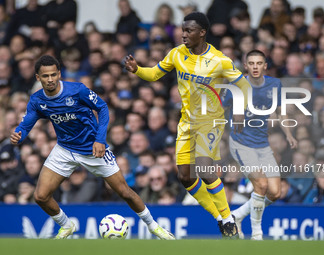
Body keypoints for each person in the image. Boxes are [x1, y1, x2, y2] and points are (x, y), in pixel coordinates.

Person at [10, 55, 175, 240]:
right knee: (40, 196)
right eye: (45, 76)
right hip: (64, 149)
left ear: (59, 74)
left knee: (124, 192)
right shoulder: (37, 99)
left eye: (53, 75)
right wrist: (19, 134)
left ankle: (154, 227)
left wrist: (100, 140)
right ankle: (66, 225)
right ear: (37, 77)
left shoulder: (77, 90)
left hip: (92, 149)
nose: (50, 79)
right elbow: (26, 124)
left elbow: (103, 108)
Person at [125, 12, 251, 238]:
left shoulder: (219, 60)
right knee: (185, 177)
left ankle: (228, 218)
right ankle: (222, 218)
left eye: (189, 31)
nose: (183, 35)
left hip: (210, 121)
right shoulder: (176, 54)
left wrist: (239, 112)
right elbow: (154, 73)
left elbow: (243, 86)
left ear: (202, 33)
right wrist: (137, 70)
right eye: (183, 30)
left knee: (204, 167)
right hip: (187, 123)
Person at [225, 49, 298, 240]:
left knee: (275, 192)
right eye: (252, 63)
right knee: (261, 184)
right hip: (241, 143)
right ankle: (257, 233)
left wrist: (289, 134)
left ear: (265, 66)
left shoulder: (275, 84)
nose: (255, 67)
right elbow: (220, 108)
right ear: (246, 65)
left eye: (259, 63)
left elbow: (282, 112)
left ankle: (236, 216)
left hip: (262, 144)